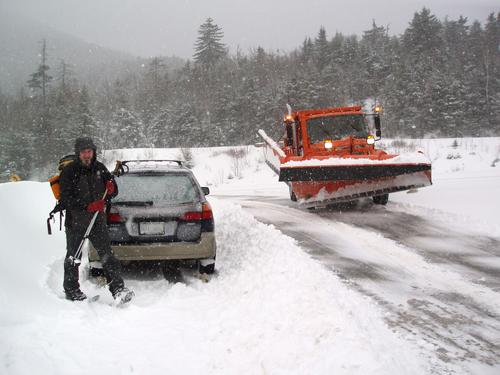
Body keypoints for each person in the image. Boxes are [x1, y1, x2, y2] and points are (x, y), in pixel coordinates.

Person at [59, 137, 133, 302]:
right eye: (84, 152)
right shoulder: (69, 171)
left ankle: (118, 290)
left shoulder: (99, 168)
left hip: (97, 221)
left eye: (89, 151)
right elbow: (66, 198)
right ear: (78, 153)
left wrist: (112, 189)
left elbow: (112, 191)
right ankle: (72, 291)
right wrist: (87, 206)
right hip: (76, 221)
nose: (87, 155)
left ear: (93, 152)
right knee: (73, 256)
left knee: (107, 255)